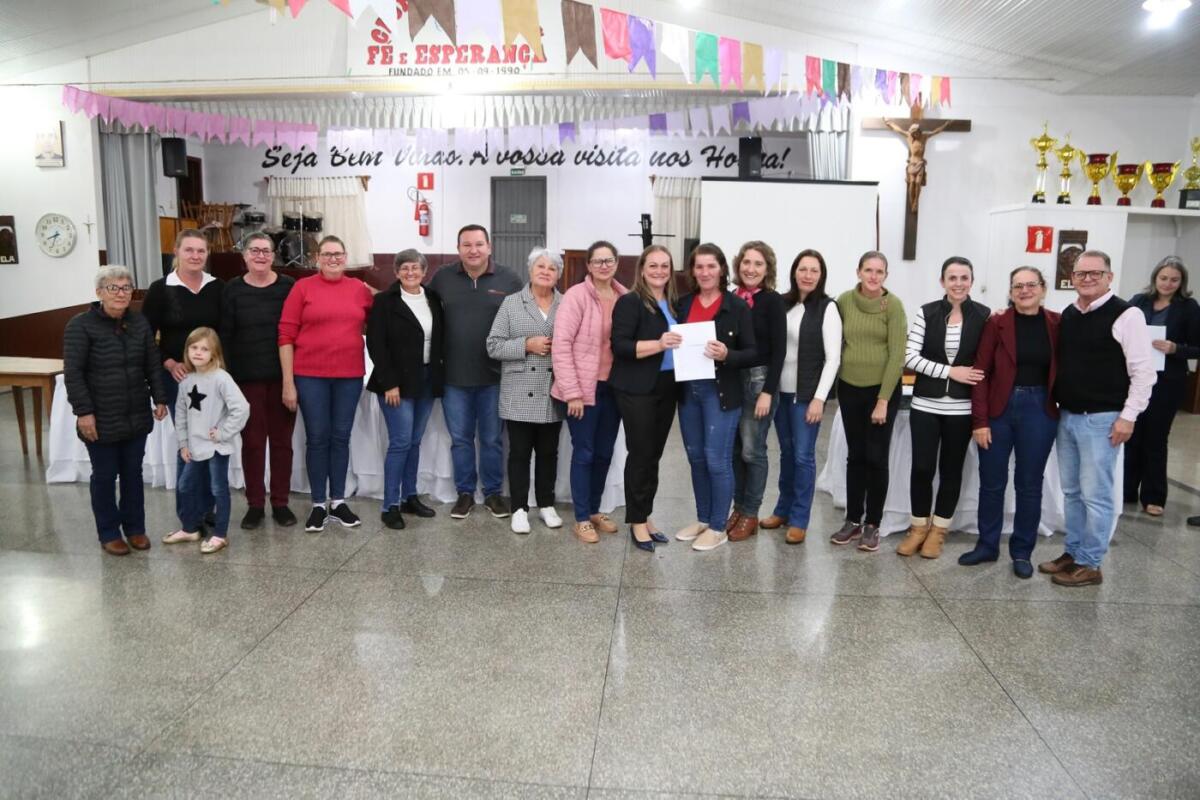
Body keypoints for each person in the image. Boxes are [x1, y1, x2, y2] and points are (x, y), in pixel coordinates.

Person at [1040, 250, 1156, 586]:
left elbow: (1143, 372)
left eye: (1095, 273)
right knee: (1072, 492)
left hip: (1103, 420)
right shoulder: (1070, 314)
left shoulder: (1127, 315)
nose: (1088, 278)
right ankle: (1073, 552)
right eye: (1081, 273)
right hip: (1068, 416)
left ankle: (1091, 563)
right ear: (1072, 278)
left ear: (1109, 277)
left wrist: (1128, 417)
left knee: (1097, 495)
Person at [961, 267, 1060, 579]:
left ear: (1043, 289)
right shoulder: (997, 322)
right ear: (1010, 291)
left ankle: (1022, 552)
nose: (1025, 291)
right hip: (999, 410)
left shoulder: (1057, 323)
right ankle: (987, 545)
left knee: (1029, 485)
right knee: (992, 482)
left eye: (1031, 285)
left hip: (1039, 410)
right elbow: (980, 373)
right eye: (1018, 286)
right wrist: (980, 421)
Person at [63, 266, 169, 556]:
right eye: (113, 288)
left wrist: (160, 397)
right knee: (105, 475)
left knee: (133, 473)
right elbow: (73, 374)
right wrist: (84, 413)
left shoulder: (139, 323)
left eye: (126, 287)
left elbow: (152, 363)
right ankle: (109, 532)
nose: (121, 293)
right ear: (99, 292)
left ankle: (135, 528)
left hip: (136, 412)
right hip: (100, 416)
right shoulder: (80, 325)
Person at [278, 234, 374, 533]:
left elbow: (384, 314)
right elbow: (285, 335)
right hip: (310, 376)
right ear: (317, 258)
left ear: (345, 258)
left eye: (338, 254)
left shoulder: (359, 289)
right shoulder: (302, 288)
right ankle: (319, 503)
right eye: (327, 254)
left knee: (341, 437)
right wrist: (288, 382)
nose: (333, 259)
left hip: (349, 376)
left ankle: (338, 501)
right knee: (318, 438)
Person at [895, 256, 989, 559]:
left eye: (964, 278)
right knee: (922, 468)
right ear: (942, 281)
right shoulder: (927, 312)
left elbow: (986, 361)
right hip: (925, 404)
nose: (958, 283)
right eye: (952, 278)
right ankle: (918, 527)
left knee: (951, 471)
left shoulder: (984, 316)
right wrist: (951, 372)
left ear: (971, 281)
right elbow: (910, 357)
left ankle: (938, 530)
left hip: (961, 409)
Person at [429, 224, 523, 520]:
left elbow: (524, 317)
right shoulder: (442, 278)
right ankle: (465, 493)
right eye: (467, 245)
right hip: (453, 377)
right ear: (458, 249)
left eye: (479, 244)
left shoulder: (509, 279)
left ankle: (493, 493)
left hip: (495, 377)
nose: (473, 250)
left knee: (492, 439)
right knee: (460, 439)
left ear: (489, 247)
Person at [672, 243, 757, 553]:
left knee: (716, 459)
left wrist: (727, 354)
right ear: (692, 271)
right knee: (695, 457)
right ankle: (704, 518)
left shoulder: (736, 307)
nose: (705, 272)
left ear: (722, 269)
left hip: (720, 393)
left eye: (711, 266)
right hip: (688, 392)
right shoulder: (682, 304)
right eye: (699, 266)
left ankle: (718, 526)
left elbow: (752, 352)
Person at [142, 229, 224, 523]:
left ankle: (208, 508)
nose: (195, 256)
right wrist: (167, 362)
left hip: (211, 380)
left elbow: (225, 333)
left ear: (207, 254)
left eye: (201, 251)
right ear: (176, 251)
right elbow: (145, 338)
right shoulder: (160, 289)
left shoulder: (217, 287)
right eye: (189, 250)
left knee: (209, 442)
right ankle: (189, 513)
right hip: (178, 379)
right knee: (189, 444)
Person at [552, 240, 628, 543]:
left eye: (609, 260)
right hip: (582, 390)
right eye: (598, 261)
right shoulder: (576, 296)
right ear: (589, 266)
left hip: (614, 388)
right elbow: (561, 345)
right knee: (584, 452)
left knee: (604, 452)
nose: (604, 266)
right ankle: (582, 518)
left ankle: (595, 509)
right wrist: (572, 392)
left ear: (617, 263)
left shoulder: (625, 297)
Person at [220, 233, 297, 529]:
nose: (261, 256)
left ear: (274, 256)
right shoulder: (232, 289)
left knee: (282, 444)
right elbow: (225, 335)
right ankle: (255, 504)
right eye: (254, 250)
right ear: (244, 256)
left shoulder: (289, 286)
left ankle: (280, 503)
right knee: (252, 444)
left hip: (283, 379)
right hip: (245, 381)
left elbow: (295, 331)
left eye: (266, 251)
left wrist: (291, 380)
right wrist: (228, 382)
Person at [831, 251, 907, 553]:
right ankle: (853, 519)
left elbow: (897, 355)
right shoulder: (844, 301)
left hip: (881, 391)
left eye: (880, 271)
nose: (874, 276)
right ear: (858, 272)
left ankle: (873, 523)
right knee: (856, 456)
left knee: (876, 457)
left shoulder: (893, 305)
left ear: (886, 275)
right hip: (850, 387)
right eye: (868, 270)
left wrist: (883, 400)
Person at [487, 248, 565, 534]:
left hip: (553, 390)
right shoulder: (511, 303)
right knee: (519, 453)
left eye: (552, 268)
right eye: (540, 266)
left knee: (548, 453)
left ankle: (546, 504)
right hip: (519, 391)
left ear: (558, 275)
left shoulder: (566, 304)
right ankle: (519, 508)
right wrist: (526, 345)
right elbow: (493, 345)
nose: (546, 272)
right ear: (530, 271)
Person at [366, 249, 445, 530]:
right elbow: (376, 344)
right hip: (395, 383)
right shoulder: (385, 301)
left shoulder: (433, 298)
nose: (410, 272)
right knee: (400, 442)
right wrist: (389, 383)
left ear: (424, 271)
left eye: (415, 268)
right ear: (397, 272)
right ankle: (390, 505)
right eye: (405, 268)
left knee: (414, 441)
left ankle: (409, 497)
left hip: (426, 379)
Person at [768, 250, 842, 545]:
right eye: (803, 269)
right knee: (786, 454)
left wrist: (819, 399)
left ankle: (799, 519)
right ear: (794, 272)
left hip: (806, 397)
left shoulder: (827, 308)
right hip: (780, 394)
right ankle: (782, 510)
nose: (808, 275)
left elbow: (833, 359)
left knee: (803, 456)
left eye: (814, 270)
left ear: (821, 275)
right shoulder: (782, 304)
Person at [610, 245, 681, 553]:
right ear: (642, 269)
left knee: (653, 455)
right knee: (640, 454)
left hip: (667, 386)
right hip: (636, 387)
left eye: (665, 266)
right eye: (653, 265)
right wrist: (659, 344)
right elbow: (621, 346)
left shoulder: (675, 303)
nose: (659, 271)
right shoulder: (630, 302)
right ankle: (636, 520)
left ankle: (646, 514)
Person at [162, 328, 250, 553]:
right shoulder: (186, 381)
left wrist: (222, 433)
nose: (198, 352)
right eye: (194, 347)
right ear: (187, 350)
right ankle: (190, 528)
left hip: (217, 447)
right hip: (194, 447)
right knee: (185, 485)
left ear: (214, 354)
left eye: (204, 349)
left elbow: (241, 408)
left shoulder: (221, 378)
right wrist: (183, 444)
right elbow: (181, 415)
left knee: (218, 489)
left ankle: (220, 535)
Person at [1125, 256, 1200, 516]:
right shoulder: (1139, 301)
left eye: (1174, 280)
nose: (1168, 284)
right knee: (1132, 434)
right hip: (1135, 379)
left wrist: (1176, 348)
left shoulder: (1189, 307)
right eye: (1164, 278)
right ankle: (1126, 490)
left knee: (1156, 438)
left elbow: (1197, 347)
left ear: (1182, 282)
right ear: (1155, 278)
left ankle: (1154, 496)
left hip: (1167, 382)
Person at [727, 241, 787, 541]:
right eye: (746, 262)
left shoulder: (772, 301)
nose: (751, 269)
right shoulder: (731, 298)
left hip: (758, 382)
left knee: (753, 450)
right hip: (732, 380)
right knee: (735, 450)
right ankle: (738, 508)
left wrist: (768, 392)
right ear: (738, 265)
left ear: (767, 269)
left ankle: (751, 512)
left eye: (758, 264)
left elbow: (779, 350)